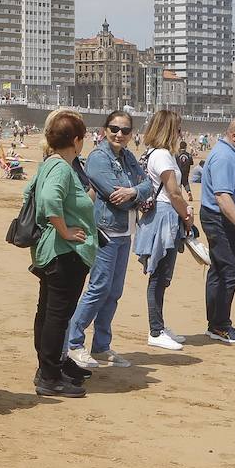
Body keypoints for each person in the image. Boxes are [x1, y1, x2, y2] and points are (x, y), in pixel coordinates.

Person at [65, 109, 153, 370]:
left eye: (125, 130)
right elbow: (111, 192)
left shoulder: (127, 156)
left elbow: (147, 184)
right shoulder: (98, 158)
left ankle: (101, 346)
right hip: (105, 232)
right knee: (98, 288)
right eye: (114, 129)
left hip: (125, 233)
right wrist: (135, 194)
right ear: (104, 130)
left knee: (114, 292)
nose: (119, 134)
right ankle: (74, 342)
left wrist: (132, 192)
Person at [27, 109, 94, 398]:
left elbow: (30, 194)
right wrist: (65, 229)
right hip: (63, 252)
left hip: (53, 251)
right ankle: (50, 375)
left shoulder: (49, 164)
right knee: (57, 315)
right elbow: (48, 199)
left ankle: (48, 368)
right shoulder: (62, 167)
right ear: (76, 141)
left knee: (49, 313)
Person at [134, 109, 191, 351]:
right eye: (178, 129)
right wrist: (187, 216)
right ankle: (155, 330)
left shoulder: (151, 154)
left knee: (161, 275)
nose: (180, 133)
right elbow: (174, 192)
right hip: (165, 215)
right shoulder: (164, 156)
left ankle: (159, 326)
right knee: (160, 275)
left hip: (159, 214)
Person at [200, 118, 235, 345]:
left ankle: (215, 323)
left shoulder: (234, 153)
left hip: (224, 219)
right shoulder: (224, 157)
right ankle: (220, 325)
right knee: (231, 271)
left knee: (219, 270)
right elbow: (222, 197)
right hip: (220, 220)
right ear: (234, 136)